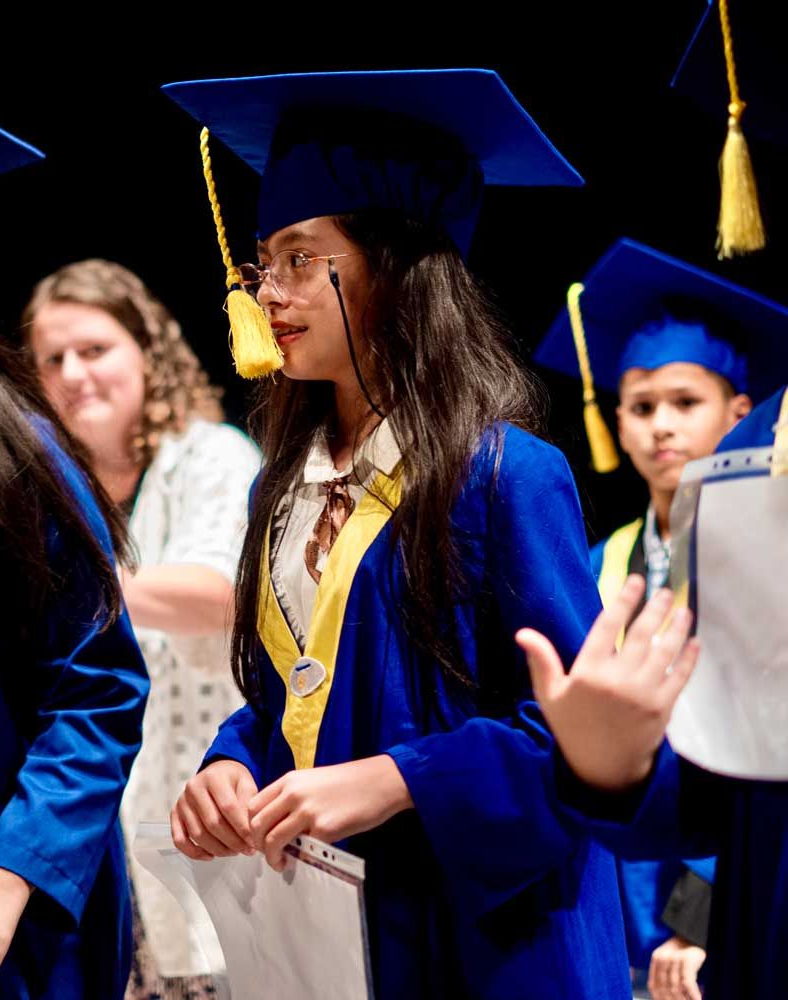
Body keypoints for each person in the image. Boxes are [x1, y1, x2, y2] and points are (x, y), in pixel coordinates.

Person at [161, 68, 632, 999]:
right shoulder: (283, 492)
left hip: (488, 940)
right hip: (330, 938)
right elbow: (292, 698)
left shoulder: (505, 477)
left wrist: (401, 778)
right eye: (265, 264)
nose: (269, 296)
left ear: (397, 266)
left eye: (302, 259)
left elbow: (586, 744)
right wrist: (228, 762)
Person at [535, 236, 788, 996]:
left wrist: (697, 911)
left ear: (741, 414)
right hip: (620, 874)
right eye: (641, 408)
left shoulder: (756, 545)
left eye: (685, 404)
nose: (661, 428)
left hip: (719, 887)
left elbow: (749, 734)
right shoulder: (601, 561)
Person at [22, 259, 261, 996]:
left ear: (146, 352)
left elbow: (218, 593)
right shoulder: (49, 489)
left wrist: (65, 594)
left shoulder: (212, 457)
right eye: (52, 359)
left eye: (94, 349)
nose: (73, 373)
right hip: (100, 839)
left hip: (209, 812)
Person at [0, 119, 149, 999]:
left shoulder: (18, 454)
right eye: (61, 356)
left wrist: (13, 875)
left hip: (13, 915)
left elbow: (98, 690)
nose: (78, 372)